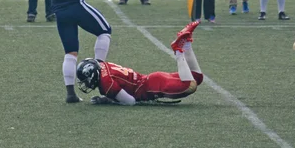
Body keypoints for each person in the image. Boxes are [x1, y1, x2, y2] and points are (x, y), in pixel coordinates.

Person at [75, 21, 203, 105]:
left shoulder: (105, 83)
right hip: (152, 79)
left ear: (92, 75)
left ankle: (179, 51)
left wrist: (109, 100)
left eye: (86, 80)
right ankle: (186, 44)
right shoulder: (103, 66)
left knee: (189, 85)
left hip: (153, 87)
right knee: (197, 77)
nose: (86, 83)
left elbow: (130, 101)